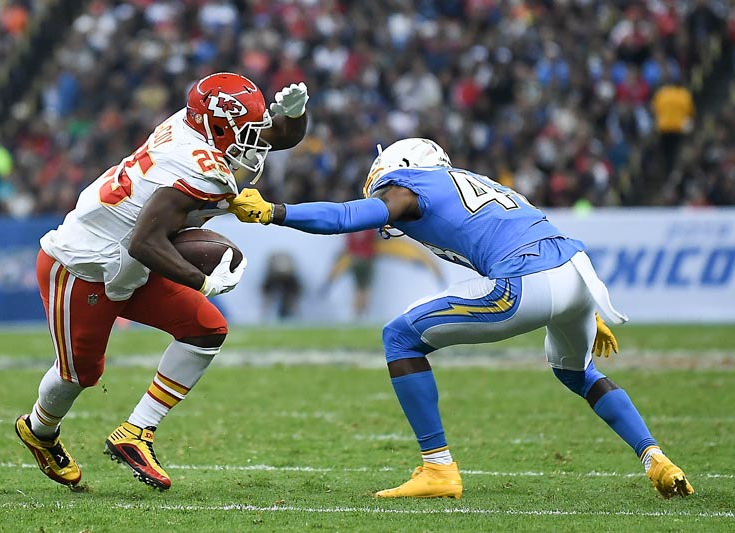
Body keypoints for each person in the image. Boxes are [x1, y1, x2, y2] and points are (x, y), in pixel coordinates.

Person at [228, 137, 694, 500]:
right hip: (576, 273)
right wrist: (584, 304)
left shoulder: (413, 187)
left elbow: (351, 215)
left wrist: (275, 212)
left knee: (400, 337)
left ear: (402, 170)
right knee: (577, 371)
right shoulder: (479, 182)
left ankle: (438, 468)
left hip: (527, 279)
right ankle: (655, 458)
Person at [14, 72, 309, 490]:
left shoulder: (197, 126)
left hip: (129, 260)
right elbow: (144, 242)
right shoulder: (195, 168)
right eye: (243, 133)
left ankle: (136, 433)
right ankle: (38, 431)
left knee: (206, 330)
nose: (253, 144)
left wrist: (295, 117)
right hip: (83, 265)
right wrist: (199, 281)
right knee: (79, 374)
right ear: (216, 128)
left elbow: (273, 136)